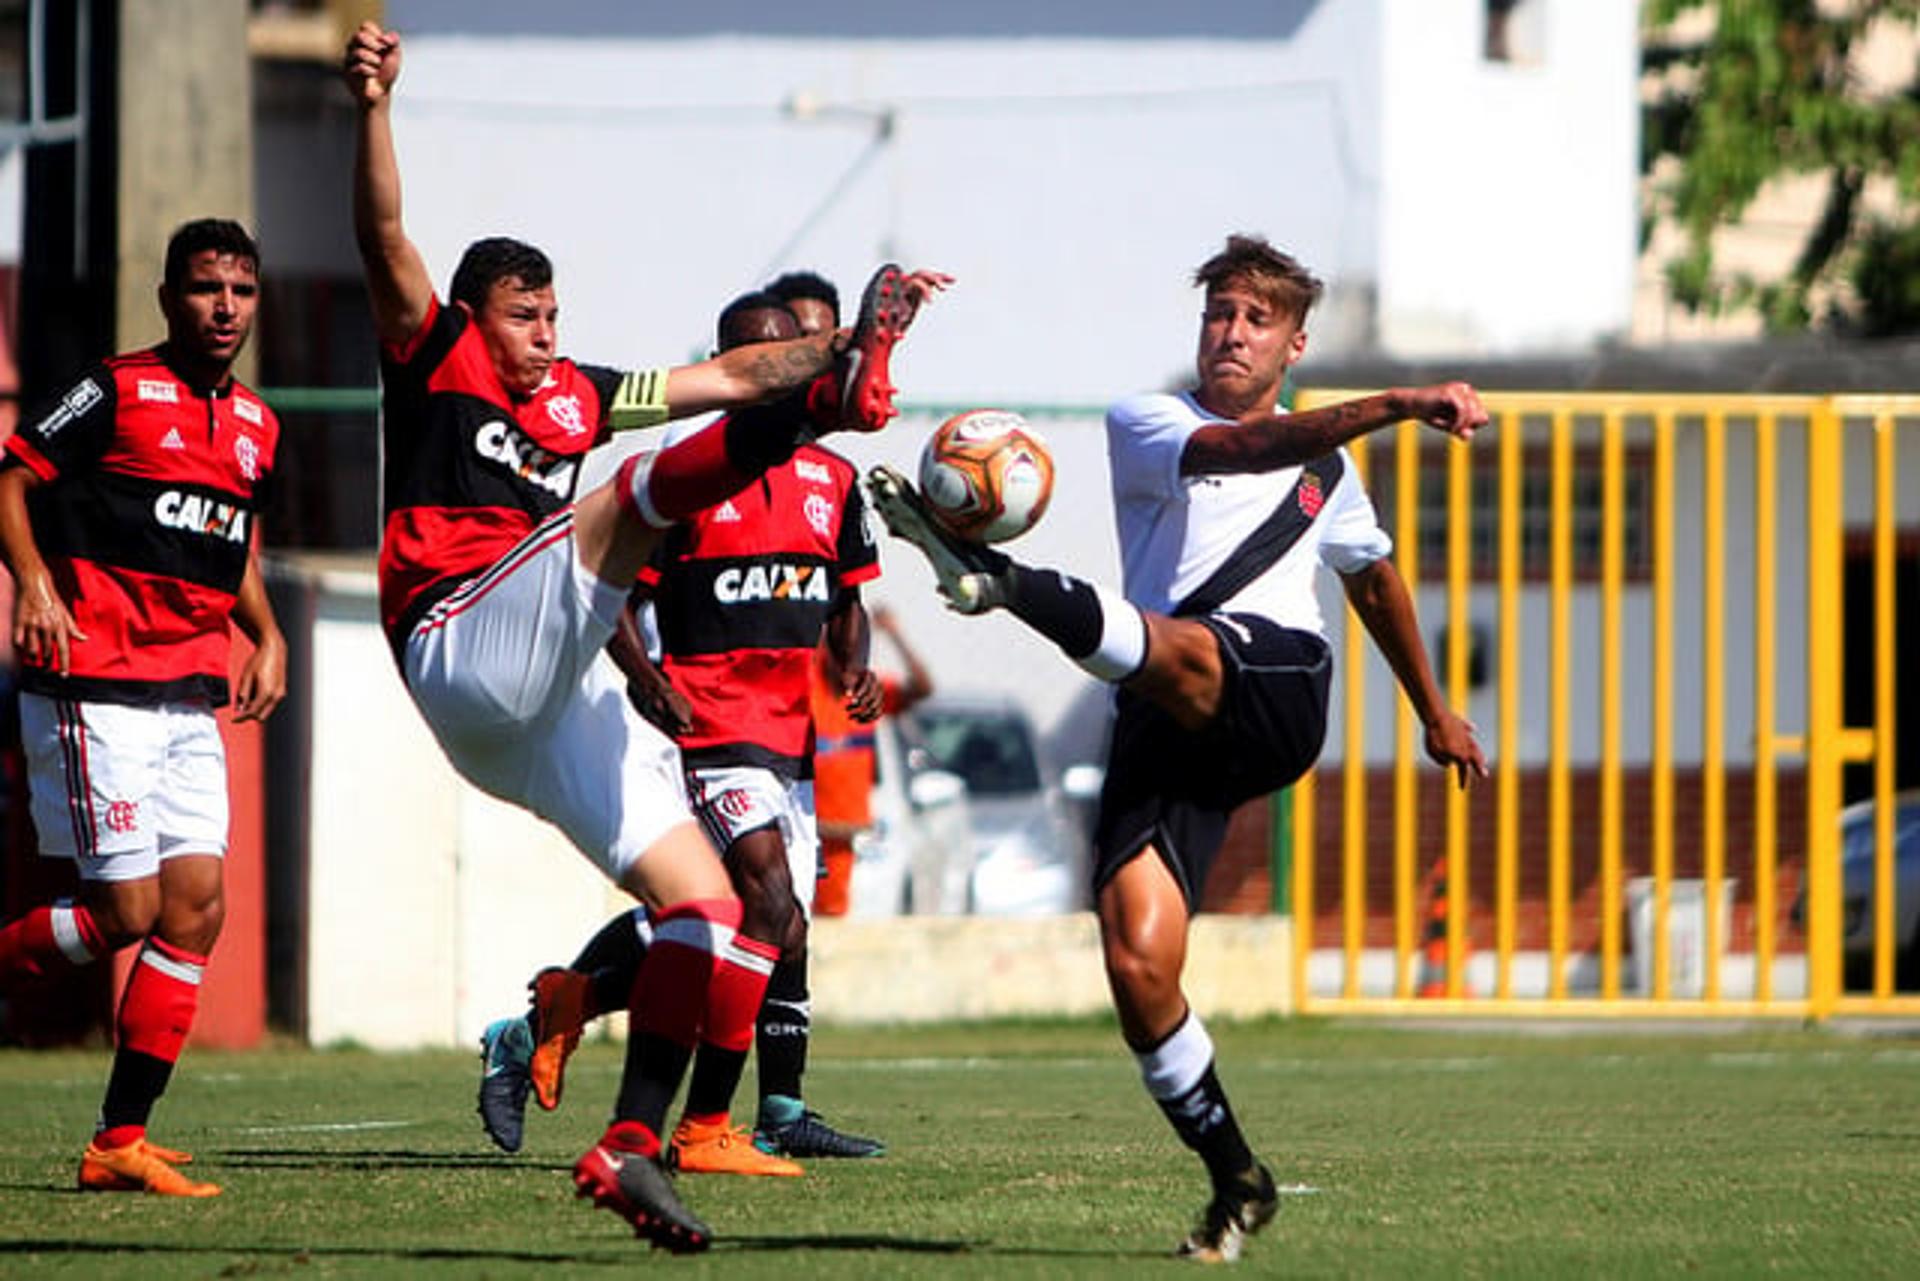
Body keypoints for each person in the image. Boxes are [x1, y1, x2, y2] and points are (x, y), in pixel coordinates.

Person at [344, 22, 937, 1252]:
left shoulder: (581, 393)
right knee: (624, 501)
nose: (548, 335)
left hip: (542, 706)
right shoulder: (432, 349)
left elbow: (723, 377)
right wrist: (376, 106)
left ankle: (627, 1147)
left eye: (556, 313)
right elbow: (385, 238)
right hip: (455, 637)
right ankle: (834, 409)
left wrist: (845, 342)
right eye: (526, 314)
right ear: (475, 314)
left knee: (711, 910)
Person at [868, 234, 1489, 1263]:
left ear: (1294, 345)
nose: (1231, 334)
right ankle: (1236, 1178)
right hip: (1162, 708)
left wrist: (1434, 709)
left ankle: (995, 583)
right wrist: (1399, 404)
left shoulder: (1326, 469)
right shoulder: (1149, 422)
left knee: (1191, 653)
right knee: (1139, 963)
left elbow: (1370, 579)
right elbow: (1240, 454)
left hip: (1275, 685)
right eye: (1219, 314)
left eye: (1256, 319)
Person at [475, 292, 892, 1168]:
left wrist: (852, 668)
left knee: (754, 925)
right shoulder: (688, 474)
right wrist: (646, 676)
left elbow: (848, 599)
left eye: (795, 356)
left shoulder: (833, 481)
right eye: (757, 360)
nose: (778, 376)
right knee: (767, 907)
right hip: (706, 729)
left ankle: (561, 1006)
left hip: (789, 744)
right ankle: (717, 1125)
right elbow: (614, 590)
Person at [0, 218, 288, 1198]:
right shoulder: (115, 389)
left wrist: (271, 632)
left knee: (195, 912)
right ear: (169, 296)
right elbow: (10, 476)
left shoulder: (258, 424)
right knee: (125, 910)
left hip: (188, 690)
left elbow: (224, 538)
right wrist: (32, 581)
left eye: (241, 291)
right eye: (206, 288)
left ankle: (118, 1142)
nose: (225, 307)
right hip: (99, 684)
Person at [810, 604, 933, 917]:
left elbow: (921, 688)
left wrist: (894, 634)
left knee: (833, 915)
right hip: (804, 825)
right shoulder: (809, 681)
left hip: (843, 829)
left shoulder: (865, 691)